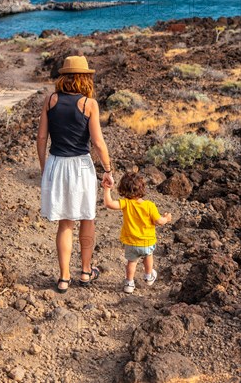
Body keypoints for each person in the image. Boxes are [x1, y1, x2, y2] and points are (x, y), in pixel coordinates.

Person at [37, 55, 114, 293]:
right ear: (84, 78)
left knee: (65, 222)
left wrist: (44, 168)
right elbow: (98, 143)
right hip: (81, 166)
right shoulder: (88, 104)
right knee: (87, 218)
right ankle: (85, 271)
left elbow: (41, 138)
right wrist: (108, 170)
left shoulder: (50, 100)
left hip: (57, 164)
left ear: (64, 77)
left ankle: (63, 278)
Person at [103, 172, 171, 294]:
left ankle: (129, 283)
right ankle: (149, 276)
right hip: (147, 241)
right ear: (142, 188)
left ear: (123, 189)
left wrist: (106, 189)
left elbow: (109, 203)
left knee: (132, 262)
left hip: (131, 242)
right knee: (148, 256)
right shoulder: (149, 205)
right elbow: (158, 221)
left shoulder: (126, 203)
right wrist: (166, 218)